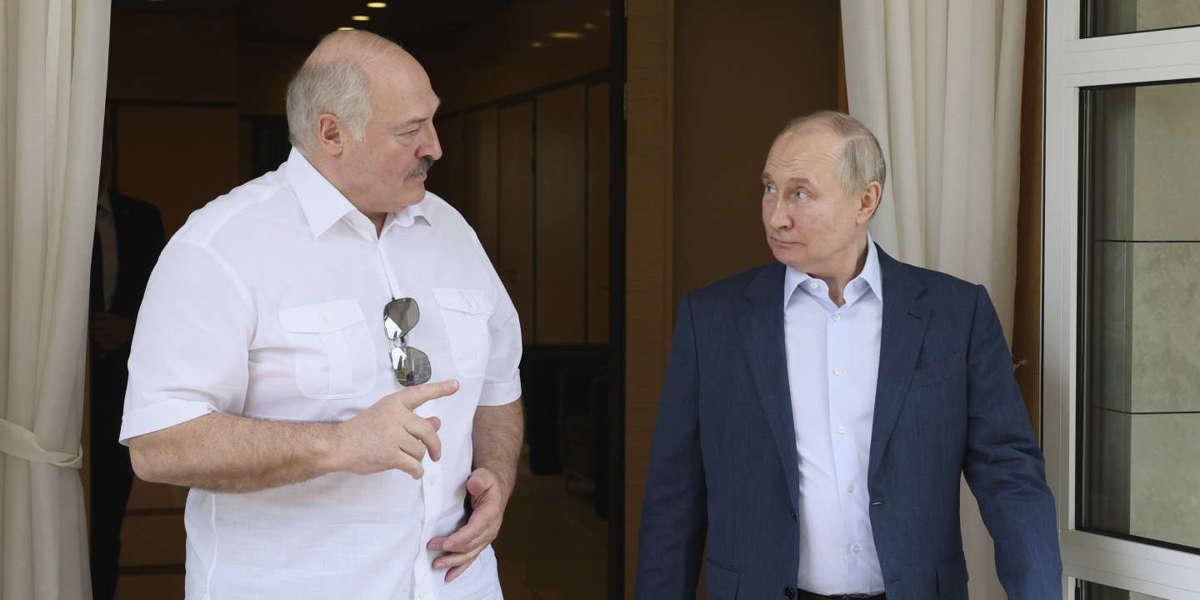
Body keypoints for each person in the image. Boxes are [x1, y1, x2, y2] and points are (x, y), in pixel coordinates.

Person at [120, 30, 524, 600]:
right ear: (332, 133)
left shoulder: (452, 232)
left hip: (459, 585)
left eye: (433, 121)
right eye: (410, 130)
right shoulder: (220, 246)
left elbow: (499, 385)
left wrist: (498, 477)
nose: (435, 146)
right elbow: (158, 444)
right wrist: (338, 444)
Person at [635, 111, 1061, 600]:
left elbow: (1010, 476)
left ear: (866, 201)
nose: (776, 216)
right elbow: (674, 498)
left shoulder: (955, 315)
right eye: (770, 189)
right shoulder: (712, 320)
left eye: (800, 193)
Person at [89, 113, 166, 600]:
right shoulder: (38, 218)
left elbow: (167, 305)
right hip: (51, 394)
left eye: (104, 147)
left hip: (119, 394)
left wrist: (130, 329)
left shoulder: (141, 217)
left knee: (106, 520)